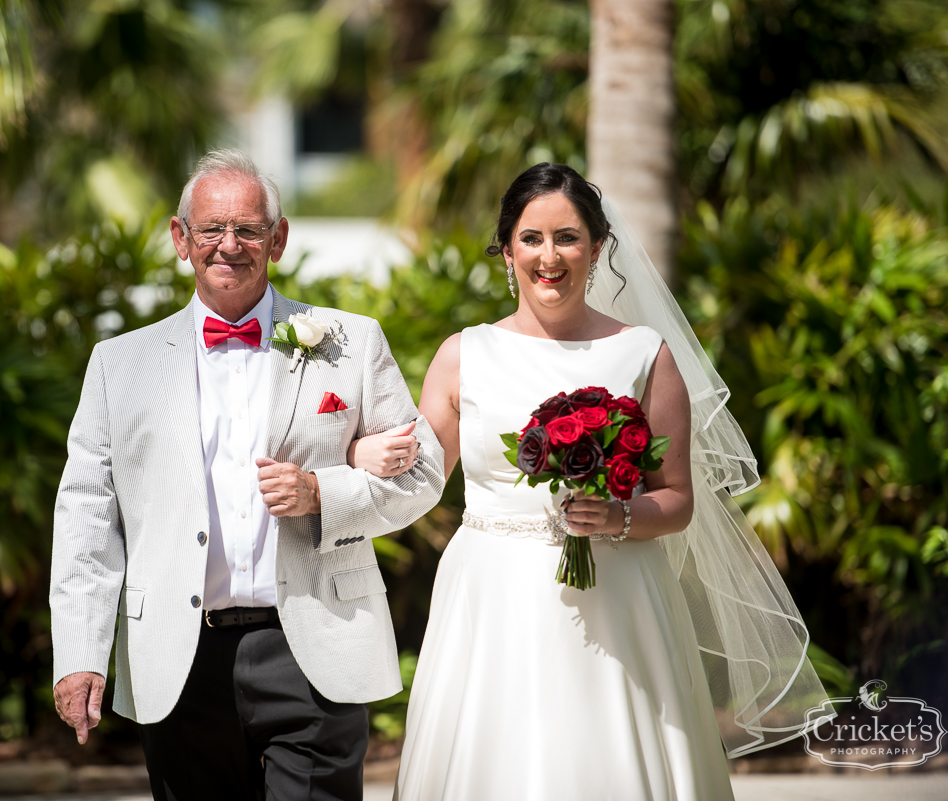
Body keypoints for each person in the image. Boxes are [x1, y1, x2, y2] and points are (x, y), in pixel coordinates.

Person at [349, 163, 831, 800]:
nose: (550, 257)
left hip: (620, 596)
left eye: (569, 238)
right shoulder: (463, 354)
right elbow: (420, 477)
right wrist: (361, 452)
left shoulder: (643, 352)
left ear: (599, 248)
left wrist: (620, 518)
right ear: (507, 249)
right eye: (532, 238)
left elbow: (678, 499)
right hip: (492, 600)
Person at [49, 149, 445, 801]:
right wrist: (81, 652)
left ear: (278, 238)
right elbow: (88, 520)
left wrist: (323, 491)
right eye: (211, 229)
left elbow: (423, 472)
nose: (229, 244)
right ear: (182, 239)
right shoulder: (118, 365)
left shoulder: (351, 341)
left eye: (249, 229)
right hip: (177, 659)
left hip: (313, 644)